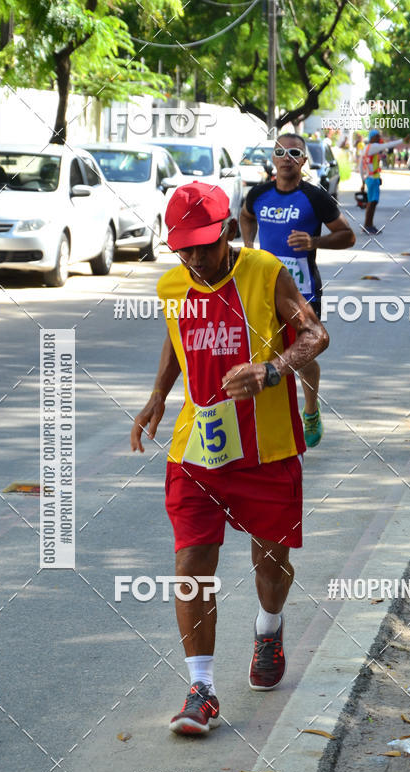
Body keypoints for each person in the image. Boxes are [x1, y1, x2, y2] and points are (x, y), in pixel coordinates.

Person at [130, 182, 329, 736]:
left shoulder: (266, 273)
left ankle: (269, 628)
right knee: (192, 562)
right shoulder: (172, 284)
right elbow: (177, 337)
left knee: (270, 562)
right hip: (197, 449)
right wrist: (157, 396)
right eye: (182, 249)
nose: (193, 259)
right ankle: (202, 689)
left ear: (224, 231)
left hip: (267, 448)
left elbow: (315, 334)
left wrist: (271, 371)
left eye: (202, 246)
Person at [240, 133, 355, 448]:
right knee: (267, 351)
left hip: (303, 291)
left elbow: (348, 236)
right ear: (273, 158)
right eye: (281, 151)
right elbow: (246, 216)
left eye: (294, 152)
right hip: (264, 288)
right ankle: (265, 420)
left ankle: (311, 409)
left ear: (304, 161)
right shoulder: (259, 194)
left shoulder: (315, 197)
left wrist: (314, 242)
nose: (287, 157)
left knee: (303, 353)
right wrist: (249, 247)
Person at [359, 128, 403, 233]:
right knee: (372, 203)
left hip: (370, 178)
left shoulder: (366, 148)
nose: (379, 138)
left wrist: (363, 181)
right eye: (378, 136)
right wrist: (402, 140)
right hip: (373, 179)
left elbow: (361, 166)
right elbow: (387, 145)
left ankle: (368, 225)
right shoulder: (373, 147)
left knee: (371, 202)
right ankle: (368, 226)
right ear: (373, 137)